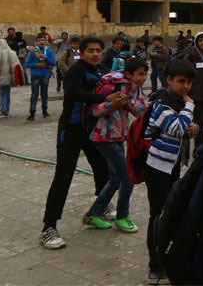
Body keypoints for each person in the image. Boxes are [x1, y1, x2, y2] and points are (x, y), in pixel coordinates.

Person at [40, 37, 121, 250]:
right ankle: (49, 227)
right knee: (64, 174)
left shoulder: (101, 69)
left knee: (102, 168)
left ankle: (101, 206)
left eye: (98, 50)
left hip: (91, 129)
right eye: (90, 50)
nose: (95, 54)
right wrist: (105, 100)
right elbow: (74, 93)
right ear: (82, 53)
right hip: (72, 129)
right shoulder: (76, 71)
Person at [144, 60, 198, 281]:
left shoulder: (177, 101)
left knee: (171, 211)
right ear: (169, 80)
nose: (186, 86)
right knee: (157, 214)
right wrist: (189, 106)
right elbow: (177, 128)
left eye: (189, 82)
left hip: (172, 163)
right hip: (157, 166)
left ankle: (166, 255)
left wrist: (194, 129)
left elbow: (187, 129)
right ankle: (155, 264)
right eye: (181, 81)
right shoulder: (161, 103)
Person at [82, 58, 147, 232]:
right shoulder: (111, 85)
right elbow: (94, 109)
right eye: (140, 74)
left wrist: (128, 102)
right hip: (104, 136)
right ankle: (122, 216)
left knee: (116, 179)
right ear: (128, 74)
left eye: (145, 74)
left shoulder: (136, 87)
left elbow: (141, 111)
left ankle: (92, 214)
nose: (143, 78)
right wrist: (112, 104)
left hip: (119, 137)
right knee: (128, 178)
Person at [24, 33, 56, 121]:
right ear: (36, 42)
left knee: (44, 94)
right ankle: (32, 113)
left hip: (45, 75)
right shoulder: (33, 52)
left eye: (42, 40)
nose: (41, 42)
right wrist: (36, 64)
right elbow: (26, 64)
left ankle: (45, 111)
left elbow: (53, 63)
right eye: (39, 41)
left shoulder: (49, 51)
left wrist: (46, 58)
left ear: (45, 41)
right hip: (35, 76)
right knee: (34, 95)